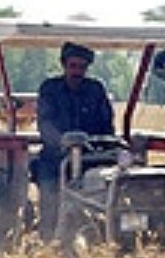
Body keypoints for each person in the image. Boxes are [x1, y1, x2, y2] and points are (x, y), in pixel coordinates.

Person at [34, 41, 115, 241]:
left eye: (82, 67)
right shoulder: (50, 89)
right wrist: (63, 142)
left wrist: (105, 146)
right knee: (50, 189)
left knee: (110, 190)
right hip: (56, 158)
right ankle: (49, 239)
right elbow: (45, 123)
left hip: (91, 158)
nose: (77, 72)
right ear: (64, 65)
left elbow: (107, 124)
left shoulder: (96, 89)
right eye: (73, 66)